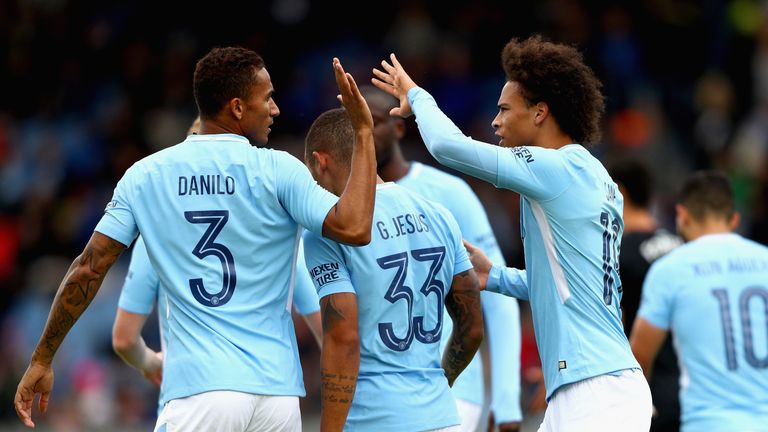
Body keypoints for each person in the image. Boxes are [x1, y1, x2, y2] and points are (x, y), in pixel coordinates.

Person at [14, 47, 377, 431]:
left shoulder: (146, 176)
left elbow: (89, 267)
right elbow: (354, 227)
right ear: (237, 107)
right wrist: (365, 134)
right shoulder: (280, 170)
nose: (276, 110)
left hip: (200, 393)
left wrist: (42, 358)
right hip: (277, 398)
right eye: (268, 98)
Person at [372, 35, 652, 431]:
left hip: (595, 390)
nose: (495, 121)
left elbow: (447, 146)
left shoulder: (555, 170)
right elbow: (568, 284)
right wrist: (495, 277)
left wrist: (416, 95)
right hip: (595, 385)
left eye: (504, 109)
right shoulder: (596, 178)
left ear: (540, 113)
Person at [302, 108, 484, 431]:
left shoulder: (326, 232)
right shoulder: (438, 215)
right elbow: (471, 329)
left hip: (373, 419)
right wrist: (440, 382)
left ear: (321, 162)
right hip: (442, 417)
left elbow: (342, 338)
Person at [360, 85, 522, 431]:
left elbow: (495, 293)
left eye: (371, 121)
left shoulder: (448, 193)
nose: (361, 132)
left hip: (452, 387)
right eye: (353, 124)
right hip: (375, 397)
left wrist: (506, 399)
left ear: (399, 128)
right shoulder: (342, 206)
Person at [630, 171, 768, 431]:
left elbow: (639, 357)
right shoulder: (765, 260)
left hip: (706, 422)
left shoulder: (669, 269)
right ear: (735, 219)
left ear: (682, 216)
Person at [607, 158, 682, 431]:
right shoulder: (683, 247)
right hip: (696, 394)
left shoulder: (616, 256)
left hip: (647, 396)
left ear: (617, 191)